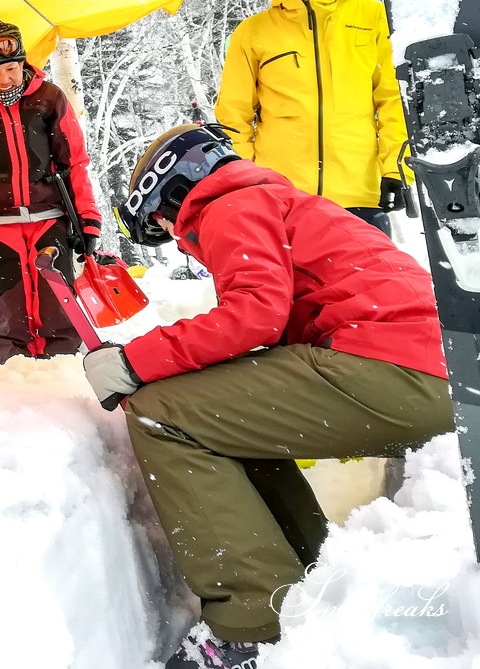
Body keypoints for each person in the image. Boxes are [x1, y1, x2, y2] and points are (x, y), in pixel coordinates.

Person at [90, 123, 452, 668]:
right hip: (418, 365)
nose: (170, 231)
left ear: (176, 188)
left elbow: (253, 315)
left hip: (393, 368)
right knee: (219, 414)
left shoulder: (229, 207)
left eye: (162, 221)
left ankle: (252, 626)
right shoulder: (274, 201)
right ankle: (307, 580)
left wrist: (130, 363)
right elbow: (267, 328)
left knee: (161, 414)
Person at [215, 0, 409, 236]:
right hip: (284, 199)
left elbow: (394, 101)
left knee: (371, 287)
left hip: (359, 193)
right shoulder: (253, 33)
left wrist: (396, 169)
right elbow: (233, 117)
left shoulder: (371, 18)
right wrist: (250, 184)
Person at [0, 16, 102, 365]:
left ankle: (63, 370)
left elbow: (74, 162)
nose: (4, 79)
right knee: (10, 307)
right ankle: (14, 375)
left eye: (11, 69)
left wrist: (87, 219)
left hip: (50, 219)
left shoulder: (49, 98)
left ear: (23, 62)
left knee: (57, 304)